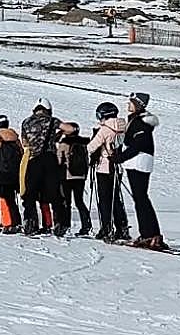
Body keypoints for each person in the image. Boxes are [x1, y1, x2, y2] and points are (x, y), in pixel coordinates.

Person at [113, 92, 167, 250]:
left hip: (139, 162)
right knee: (141, 199)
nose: (127, 105)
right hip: (137, 161)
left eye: (131, 102)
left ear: (138, 104)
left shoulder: (141, 122)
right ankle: (149, 234)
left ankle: (150, 234)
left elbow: (138, 145)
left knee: (141, 198)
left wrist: (120, 157)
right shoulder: (137, 120)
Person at [86, 102, 130, 241]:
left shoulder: (105, 129)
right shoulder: (123, 126)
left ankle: (106, 228)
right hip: (118, 167)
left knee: (105, 200)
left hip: (104, 168)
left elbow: (91, 147)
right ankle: (122, 227)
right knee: (116, 198)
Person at [20, 98, 64, 235]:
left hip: (33, 161)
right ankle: (58, 223)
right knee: (54, 192)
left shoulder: (26, 122)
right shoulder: (52, 120)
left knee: (30, 193)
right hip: (50, 160)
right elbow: (68, 128)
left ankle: (29, 222)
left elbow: (24, 142)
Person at [56, 122, 92, 236]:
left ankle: (65, 226)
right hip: (80, 176)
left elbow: (59, 160)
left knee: (66, 202)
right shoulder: (84, 143)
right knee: (79, 201)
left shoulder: (64, 143)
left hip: (67, 176)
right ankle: (86, 225)